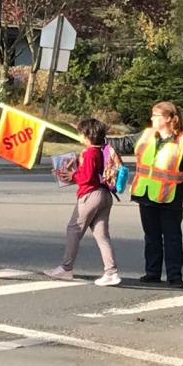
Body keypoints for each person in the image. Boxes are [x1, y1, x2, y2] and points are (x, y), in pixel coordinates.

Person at [106, 101, 183, 288]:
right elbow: (122, 143)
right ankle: (153, 273)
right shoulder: (146, 134)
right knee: (151, 237)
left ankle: (174, 276)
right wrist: (97, 138)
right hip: (146, 194)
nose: (151, 118)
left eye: (155, 115)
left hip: (172, 197)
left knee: (172, 238)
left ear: (167, 118)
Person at [49, 119, 120, 285]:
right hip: (105, 194)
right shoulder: (104, 150)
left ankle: (66, 268)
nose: (79, 136)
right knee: (102, 234)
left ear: (88, 136)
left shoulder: (89, 153)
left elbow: (86, 178)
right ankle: (111, 271)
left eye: (81, 133)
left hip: (90, 195)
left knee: (74, 229)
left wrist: (71, 175)